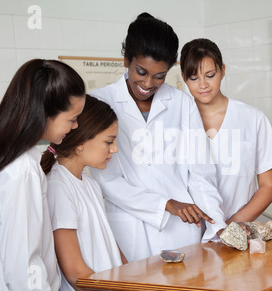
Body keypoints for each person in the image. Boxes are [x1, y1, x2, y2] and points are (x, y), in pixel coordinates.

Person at [90, 13, 227, 262]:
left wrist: (217, 224)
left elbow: (201, 173)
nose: (148, 83)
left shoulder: (182, 103)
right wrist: (165, 204)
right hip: (128, 229)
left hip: (183, 229)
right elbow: (107, 181)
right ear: (126, 61)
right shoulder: (100, 102)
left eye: (160, 76)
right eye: (141, 71)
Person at [0, 59, 85, 291]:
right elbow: (23, 268)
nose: (75, 126)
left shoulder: (10, 158)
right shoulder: (23, 171)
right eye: (71, 119)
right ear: (44, 113)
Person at [180, 38, 272, 224]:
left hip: (239, 228)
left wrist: (232, 226)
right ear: (184, 78)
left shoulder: (252, 118)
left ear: (222, 71)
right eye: (194, 78)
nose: (203, 84)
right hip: (189, 232)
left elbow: (269, 185)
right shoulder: (177, 121)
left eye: (210, 75)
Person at [41, 95, 126, 291]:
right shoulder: (58, 186)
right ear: (80, 141)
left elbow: (111, 246)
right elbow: (74, 271)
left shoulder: (91, 185)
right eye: (109, 141)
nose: (114, 149)